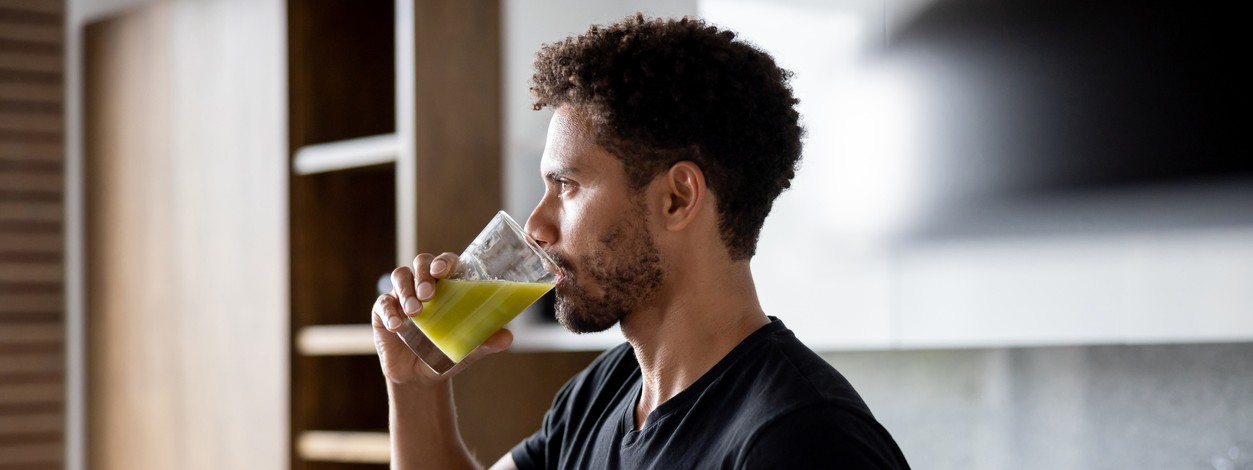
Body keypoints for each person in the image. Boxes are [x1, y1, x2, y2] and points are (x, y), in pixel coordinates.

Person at [371, 14, 910, 470]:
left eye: (567, 186)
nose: (536, 225)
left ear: (677, 198)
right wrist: (417, 388)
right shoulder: (602, 391)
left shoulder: (802, 443)